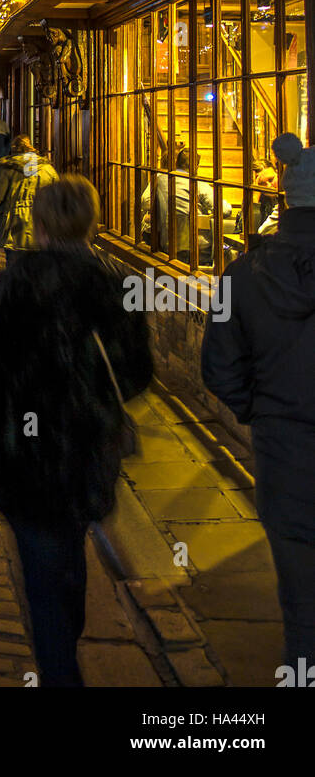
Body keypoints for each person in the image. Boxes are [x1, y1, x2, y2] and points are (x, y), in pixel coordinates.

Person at [0, 175, 153, 686]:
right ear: (88, 222)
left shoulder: (16, 284)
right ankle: (64, 653)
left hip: (25, 457)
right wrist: (94, 397)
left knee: (45, 573)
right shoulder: (107, 281)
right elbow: (137, 370)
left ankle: (61, 668)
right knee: (67, 558)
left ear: (39, 225)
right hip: (87, 451)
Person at [202, 132, 315, 677]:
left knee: (301, 609)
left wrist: (262, 410)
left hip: (283, 451)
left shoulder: (243, 274)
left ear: (285, 199)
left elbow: (219, 369)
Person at [141, 148, 230, 261]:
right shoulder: (196, 183)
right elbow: (225, 210)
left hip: (167, 244)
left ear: (177, 162)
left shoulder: (160, 180)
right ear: (196, 167)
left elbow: (145, 201)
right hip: (195, 246)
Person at [0, 135, 59, 261]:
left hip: (13, 228)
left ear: (14, 149)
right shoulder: (48, 170)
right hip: (40, 227)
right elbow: (57, 197)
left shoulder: (8, 169)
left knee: (14, 269)